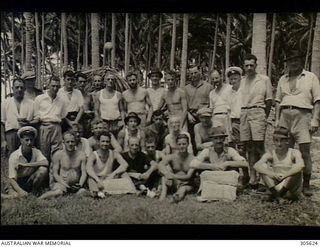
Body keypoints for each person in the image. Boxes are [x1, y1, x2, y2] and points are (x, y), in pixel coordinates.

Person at [275, 49, 320, 196]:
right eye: (290, 61)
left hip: (303, 116)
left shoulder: (310, 77)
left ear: (301, 61)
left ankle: (306, 185)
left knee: (304, 152)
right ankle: (284, 182)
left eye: (295, 60)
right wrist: (276, 119)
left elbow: (317, 100)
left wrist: (315, 119)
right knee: (284, 151)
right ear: (287, 63)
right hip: (284, 116)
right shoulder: (283, 78)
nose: (293, 63)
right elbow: (277, 101)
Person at [239, 54, 273, 188]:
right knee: (249, 147)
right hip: (244, 112)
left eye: (251, 65)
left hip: (258, 111)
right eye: (246, 65)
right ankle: (253, 178)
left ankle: (266, 177)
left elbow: (269, 100)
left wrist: (263, 116)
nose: (249, 68)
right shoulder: (241, 80)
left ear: (256, 65)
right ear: (244, 66)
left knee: (259, 146)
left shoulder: (264, 79)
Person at [254, 127, 305, 202]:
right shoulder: (271, 153)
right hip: (277, 183)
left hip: (290, 187)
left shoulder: (293, 152)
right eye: (276, 140)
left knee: (295, 169)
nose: (279, 143)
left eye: (282, 140)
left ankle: (276, 196)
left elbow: (301, 165)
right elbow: (256, 165)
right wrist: (272, 174)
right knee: (263, 167)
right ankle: (278, 197)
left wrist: (285, 175)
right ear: (273, 141)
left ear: (287, 141)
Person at [33, 75, 68, 174]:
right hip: (44, 127)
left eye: (57, 86)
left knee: (57, 154)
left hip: (57, 127)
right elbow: (36, 115)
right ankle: (43, 181)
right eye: (53, 86)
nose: (55, 88)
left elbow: (63, 116)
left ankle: (53, 180)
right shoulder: (40, 98)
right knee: (44, 154)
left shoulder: (62, 100)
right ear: (48, 85)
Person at [1, 126, 48, 199]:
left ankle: (33, 193)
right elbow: (12, 179)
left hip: (28, 180)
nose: (29, 143)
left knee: (43, 170)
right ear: (21, 141)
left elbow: (46, 163)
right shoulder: (14, 156)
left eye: (31, 140)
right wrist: (20, 191)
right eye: (26, 140)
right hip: (16, 182)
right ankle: (5, 196)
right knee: (17, 196)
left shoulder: (36, 152)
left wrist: (26, 165)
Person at [39, 131, 87, 199]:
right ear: (63, 142)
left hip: (75, 185)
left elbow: (84, 173)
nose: (70, 144)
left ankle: (70, 196)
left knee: (83, 192)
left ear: (75, 142)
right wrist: (65, 185)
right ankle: (40, 199)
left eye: (72, 141)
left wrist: (80, 185)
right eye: (67, 142)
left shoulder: (81, 155)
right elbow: (55, 174)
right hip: (61, 183)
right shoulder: (58, 155)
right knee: (59, 192)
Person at [86, 131, 129, 198]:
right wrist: (98, 180)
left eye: (107, 141)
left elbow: (125, 164)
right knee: (90, 179)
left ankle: (104, 192)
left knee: (124, 174)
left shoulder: (113, 153)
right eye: (103, 141)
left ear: (109, 143)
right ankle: (100, 192)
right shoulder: (94, 154)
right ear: (98, 142)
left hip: (109, 179)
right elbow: (89, 168)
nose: (105, 144)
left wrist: (113, 174)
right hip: (97, 179)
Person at [1, 78, 36, 155]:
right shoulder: (5, 103)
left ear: (24, 89)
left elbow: (37, 119)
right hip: (10, 135)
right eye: (17, 87)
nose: (19, 89)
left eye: (21, 87)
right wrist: (3, 141)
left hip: (26, 134)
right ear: (12, 88)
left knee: (25, 158)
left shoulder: (31, 103)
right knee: (11, 159)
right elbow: (2, 123)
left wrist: (29, 122)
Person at [158, 133, 195, 202]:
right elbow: (160, 164)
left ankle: (176, 197)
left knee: (183, 189)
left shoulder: (193, 159)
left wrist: (173, 176)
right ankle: (163, 195)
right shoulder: (173, 156)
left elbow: (188, 176)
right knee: (164, 175)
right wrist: (167, 173)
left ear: (188, 144)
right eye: (179, 144)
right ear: (177, 145)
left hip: (186, 184)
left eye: (184, 144)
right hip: (174, 183)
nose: (181, 146)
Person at [94, 71, 125, 136]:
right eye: (108, 79)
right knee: (105, 142)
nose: (110, 81)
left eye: (112, 79)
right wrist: (99, 121)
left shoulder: (118, 94)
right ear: (104, 81)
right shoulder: (98, 94)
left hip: (116, 122)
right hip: (104, 122)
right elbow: (96, 110)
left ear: (114, 82)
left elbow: (122, 110)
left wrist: (123, 121)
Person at [225, 67, 246, 157]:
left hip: (245, 120)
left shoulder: (245, 89)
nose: (233, 81)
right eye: (231, 79)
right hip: (234, 122)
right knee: (240, 148)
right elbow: (228, 111)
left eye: (235, 78)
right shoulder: (228, 92)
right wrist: (230, 127)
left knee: (249, 145)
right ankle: (244, 169)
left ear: (240, 78)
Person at [209, 69, 233, 142]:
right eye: (213, 79)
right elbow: (211, 109)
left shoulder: (229, 88)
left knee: (229, 140)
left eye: (216, 78)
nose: (215, 80)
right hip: (216, 119)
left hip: (227, 117)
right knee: (218, 141)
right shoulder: (212, 93)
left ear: (221, 76)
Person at [76, 72, 94, 138]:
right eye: (80, 82)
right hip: (77, 122)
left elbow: (93, 109)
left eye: (84, 82)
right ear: (76, 82)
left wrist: (90, 112)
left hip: (87, 123)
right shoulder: (73, 95)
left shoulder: (89, 96)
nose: (82, 84)